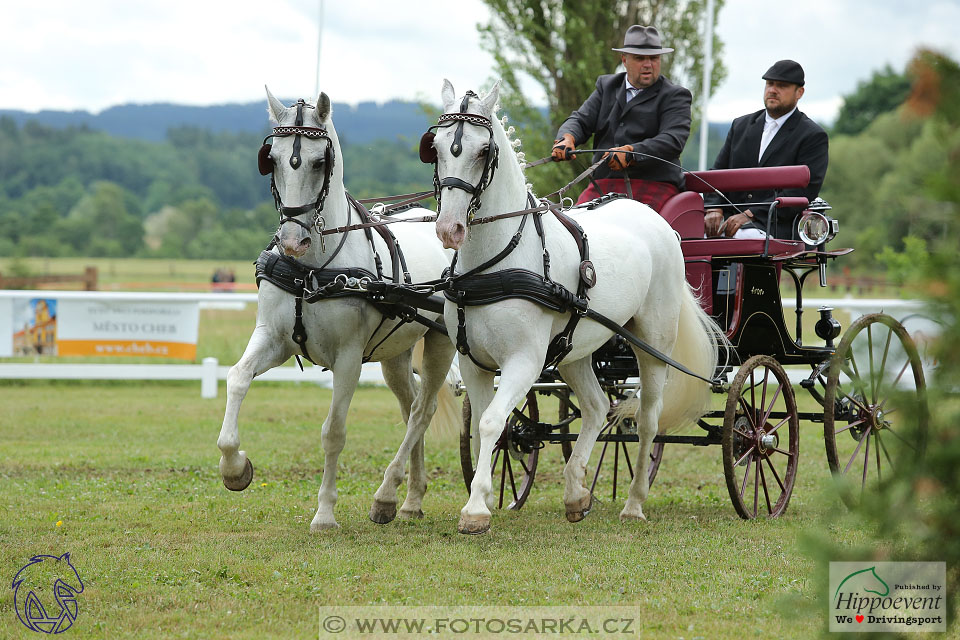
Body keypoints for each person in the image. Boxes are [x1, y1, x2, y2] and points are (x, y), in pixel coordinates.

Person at [552, 25, 692, 211]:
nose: (648, 64)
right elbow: (580, 120)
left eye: (654, 58)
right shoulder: (606, 86)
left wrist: (632, 152)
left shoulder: (675, 95)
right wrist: (567, 137)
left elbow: (673, 140)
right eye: (640, 58)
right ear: (624, 60)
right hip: (603, 184)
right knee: (573, 227)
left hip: (653, 184)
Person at [704, 60, 829, 239]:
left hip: (776, 225)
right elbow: (717, 174)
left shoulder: (812, 135)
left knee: (743, 238)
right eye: (769, 84)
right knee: (684, 238)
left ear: (799, 92)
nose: (772, 90)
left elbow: (803, 192)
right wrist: (713, 208)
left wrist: (750, 214)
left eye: (782, 86)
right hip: (729, 219)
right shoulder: (740, 126)